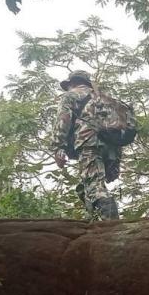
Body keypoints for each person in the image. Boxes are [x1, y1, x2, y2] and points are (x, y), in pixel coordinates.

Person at [53, 70, 125, 221]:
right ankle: (93, 220)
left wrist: (58, 146)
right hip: (113, 148)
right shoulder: (104, 98)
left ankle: (113, 226)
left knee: (94, 187)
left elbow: (63, 120)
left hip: (89, 143)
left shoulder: (71, 95)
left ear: (72, 83)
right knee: (84, 187)